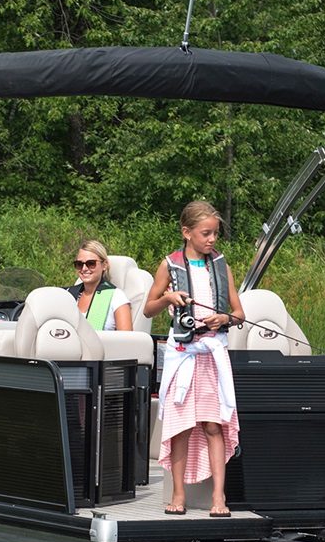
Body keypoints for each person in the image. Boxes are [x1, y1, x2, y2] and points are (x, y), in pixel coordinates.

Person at [143, 201, 243, 518]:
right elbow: (148, 309)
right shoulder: (168, 266)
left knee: (214, 425)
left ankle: (218, 497)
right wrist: (168, 298)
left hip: (212, 354)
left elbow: (239, 313)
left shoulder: (222, 266)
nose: (212, 239)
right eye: (206, 233)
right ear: (186, 233)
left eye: (215, 233)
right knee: (182, 426)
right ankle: (177, 495)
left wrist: (223, 319)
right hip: (184, 355)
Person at [65, 238, 134, 331]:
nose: (84, 268)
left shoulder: (116, 297)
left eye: (91, 263)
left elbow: (128, 341)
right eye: (79, 264)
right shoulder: (68, 295)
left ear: (104, 265)